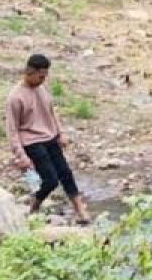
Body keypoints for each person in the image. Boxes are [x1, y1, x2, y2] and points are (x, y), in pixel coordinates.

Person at [5, 53, 90, 223]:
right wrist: (21, 155)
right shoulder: (15, 97)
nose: (43, 80)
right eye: (41, 76)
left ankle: (80, 210)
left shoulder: (42, 89)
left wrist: (61, 132)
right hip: (31, 141)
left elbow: (52, 112)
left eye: (45, 76)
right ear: (30, 72)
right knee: (50, 180)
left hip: (49, 137)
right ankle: (34, 205)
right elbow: (12, 129)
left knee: (66, 173)